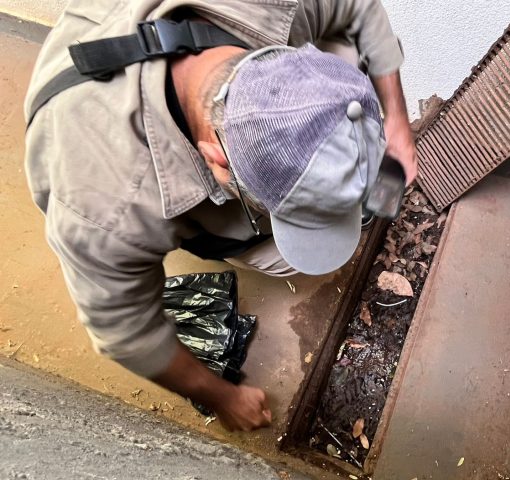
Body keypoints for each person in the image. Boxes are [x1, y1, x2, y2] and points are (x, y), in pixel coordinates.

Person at [24, 0, 416, 431]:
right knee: (283, 258)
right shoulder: (105, 211)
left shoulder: (266, 7)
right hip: (84, 112)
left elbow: (358, 6)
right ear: (215, 157)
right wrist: (223, 396)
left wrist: (396, 123)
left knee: (345, 47)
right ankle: (242, 228)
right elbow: (127, 334)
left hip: (133, 48)